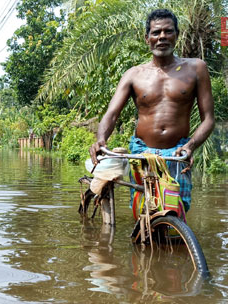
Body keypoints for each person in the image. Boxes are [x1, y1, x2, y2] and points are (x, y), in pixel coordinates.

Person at [89, 9, 214, 212]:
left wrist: (191, 146)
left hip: (178, 153)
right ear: (147, 38)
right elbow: (111, 114)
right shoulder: (133, 75)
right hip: (142, 152)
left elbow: (208, 119)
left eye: (168, 31)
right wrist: (101, 139)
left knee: (177, 211)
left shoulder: (196, 68)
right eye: (156, 33)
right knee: (143, 212)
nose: (162, 37)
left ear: (177, 35)